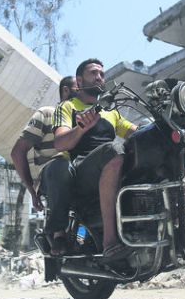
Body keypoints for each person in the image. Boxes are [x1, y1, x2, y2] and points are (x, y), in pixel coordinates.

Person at [53, 58, 137, 262]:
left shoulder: (111, 112)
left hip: (109, 162)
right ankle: (110, 242)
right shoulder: (67, 106)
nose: (99, 77)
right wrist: (81, 128)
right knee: (113, 150)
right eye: (93, 73)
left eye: (102, 73)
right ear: (79, 81)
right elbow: (60, 143)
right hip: (81, 168)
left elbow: (134, 132)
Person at [10, 76, 78, 256]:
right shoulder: (47, 113)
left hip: (80, 174)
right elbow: (17, 152)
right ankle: (57, 232)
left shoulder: (89, 118)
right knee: (60, 165)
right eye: (79, 88)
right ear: (66, 91)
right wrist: (33, 192)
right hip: (53, 174)